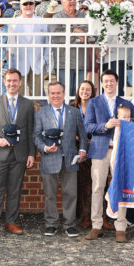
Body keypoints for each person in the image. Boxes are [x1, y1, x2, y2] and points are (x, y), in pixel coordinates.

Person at [83, 70, 134, 241]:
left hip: (120, 151)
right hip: (100, 150)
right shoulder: (94, 102)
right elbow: (88, 127)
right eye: (105, 81)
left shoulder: (126, 103)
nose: (109, 84)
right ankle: (96, 225)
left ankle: (120, 227)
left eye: (111, 81)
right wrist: (105, 125)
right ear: (101, 84)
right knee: (97, 187)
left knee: (120, 186)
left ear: (117, 82)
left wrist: (127, 122)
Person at [0, 69, 36, 237]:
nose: (12, 83)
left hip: (20, 154)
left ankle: (11, 222)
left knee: (15, 189)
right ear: (4, 82)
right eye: (9, 80)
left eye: (15, 80)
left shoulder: (28, 104)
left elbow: (31, 131)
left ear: (20, 82)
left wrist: (31, 154)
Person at [34, 81, 88, 237]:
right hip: (49, 158)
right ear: (48, 95)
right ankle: (51, 224)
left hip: (70, 159)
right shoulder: (40, 113)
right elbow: (36, 136)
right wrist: (44, 148)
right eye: (52, 93)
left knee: (70, 193)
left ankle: (69, 225)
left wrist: (82, 149)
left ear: (64, 94)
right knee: (50, 194)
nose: (55, 96)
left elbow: (82, 134)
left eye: (58, 93)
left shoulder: (74, 112)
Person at [70, 80, 95, 229]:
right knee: (81, 184)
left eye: (88, 89)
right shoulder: (72, 107)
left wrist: (93, 139)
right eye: (82, 89)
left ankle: (98, 216)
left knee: (96, 184)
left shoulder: (96, 106)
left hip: (94, 148)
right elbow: (67, 127)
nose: (85, 92)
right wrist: (78, 138)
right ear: (78, 90)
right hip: (77, 148)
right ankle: (84, 215)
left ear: (92, 92)